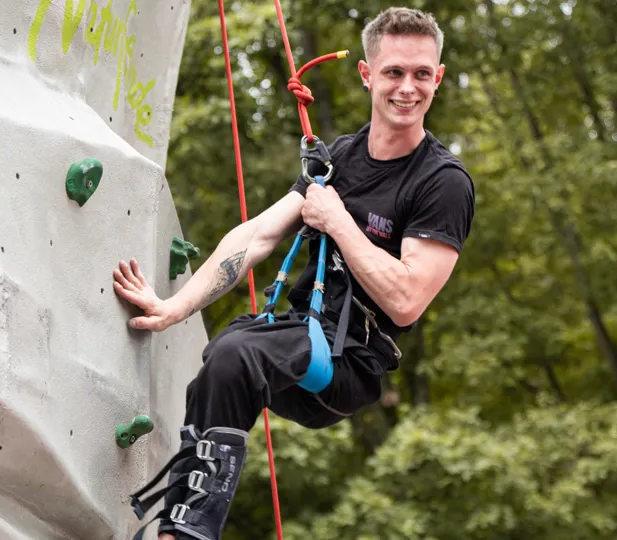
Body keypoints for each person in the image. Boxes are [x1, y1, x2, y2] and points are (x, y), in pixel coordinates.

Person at [113, 7, 475, 540]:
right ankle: (178, 520)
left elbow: (406, 300)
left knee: (240, 352)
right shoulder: (339, 159)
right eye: (394, 72)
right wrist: (174, 306)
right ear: (368, 74)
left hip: (349, 362)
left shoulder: (442, 182)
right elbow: (257, 236)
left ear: (438, 78)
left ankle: (185, 534)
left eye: (422, 74)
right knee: (225, 352)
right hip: (299, 341)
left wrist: (338, 220)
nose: (408, 88)